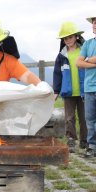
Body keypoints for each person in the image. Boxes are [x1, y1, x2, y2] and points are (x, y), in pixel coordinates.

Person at [53, 21, 87, 153]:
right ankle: (71, 140)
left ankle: (85, 141)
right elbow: (57, 74)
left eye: (70, 37)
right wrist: (56, 91)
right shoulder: (61, 56)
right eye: (65, 38)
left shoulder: (84, 51)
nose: (68, 40)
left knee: (84, 118)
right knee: (69, 118)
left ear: (76, 37)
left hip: (84, 91)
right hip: (68, 92)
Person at [77, 16, 96, 157]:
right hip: (89, 87)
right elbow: (79, 63)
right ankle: (92, 146)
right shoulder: (88, 44)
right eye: (93, 23)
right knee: (89, 119)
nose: (94, 25)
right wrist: (93, 62)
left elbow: (84, 62)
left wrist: (88, 60)